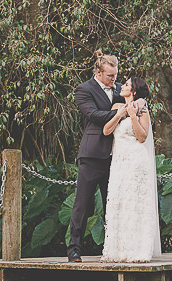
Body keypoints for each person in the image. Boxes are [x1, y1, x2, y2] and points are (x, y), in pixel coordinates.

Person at [68, 51, 125, 262]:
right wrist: (119, 113)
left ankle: (115, 248)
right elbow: (92, 115)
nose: (114, 79)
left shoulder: (120, 89)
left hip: (117, 157)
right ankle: (74, 249)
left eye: (116, 75)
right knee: (83, 204)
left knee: (115, 204)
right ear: (98, 73)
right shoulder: (84, 89)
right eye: (110, 76)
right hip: (92, 156)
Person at [100, 77, 161, 263]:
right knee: (119, 204)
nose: (122, 86)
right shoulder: (116, 107)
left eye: (126, 85)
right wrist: (121, 114)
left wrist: (133, 115)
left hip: (136, 162)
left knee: (135, 204)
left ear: (133, 91)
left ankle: (138, 249)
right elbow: (106, 131)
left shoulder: (142, 111)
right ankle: (117, 250)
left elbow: (142, 137)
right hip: (119, 163)